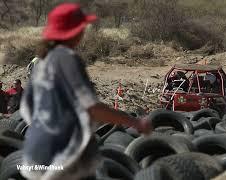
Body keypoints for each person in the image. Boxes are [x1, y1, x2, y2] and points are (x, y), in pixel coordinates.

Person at [19, 3, 152, 180]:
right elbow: (92, 108)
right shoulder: (68, 58)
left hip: (33, 154)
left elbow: (26, 109)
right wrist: (135, 123)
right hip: (64, 157)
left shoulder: (41, 63)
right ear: (75, 31)